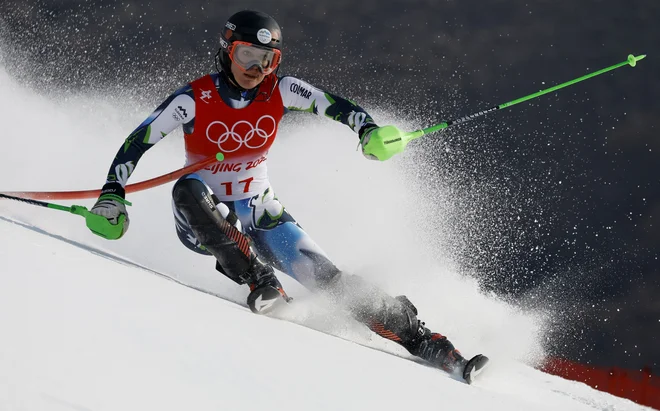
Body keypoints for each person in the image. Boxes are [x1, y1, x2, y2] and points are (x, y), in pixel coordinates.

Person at [86, 10, 487, 382]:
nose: (256, 69)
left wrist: (369, 132)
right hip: (203, 218)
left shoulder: (281, 90)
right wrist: (112, 194)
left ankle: (428, 342)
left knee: (333, 283)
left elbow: (336, 106)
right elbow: (138, 140)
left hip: (263, 214)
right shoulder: (195, 98)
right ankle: (261, 281)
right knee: (188, 189)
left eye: (268, 60)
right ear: (227, 52)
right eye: (247, 56)